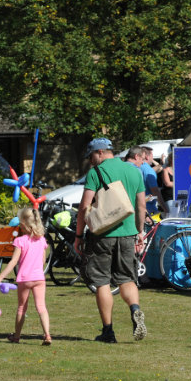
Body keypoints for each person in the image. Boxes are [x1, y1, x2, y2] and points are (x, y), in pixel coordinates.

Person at [73, 138, 148, 342]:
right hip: (128, 233)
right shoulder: (134, 170)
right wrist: (139, 231)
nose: (90, 162)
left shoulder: (95, 172)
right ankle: (135, 309)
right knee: (127, 278)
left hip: (102, 234)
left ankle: (108, 331)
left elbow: (84, 207)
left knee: (102, 281)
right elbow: (141, 206)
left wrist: (78, 235)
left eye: (91, 157)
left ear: (99, 153)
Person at [0, 206, 51, 345]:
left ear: (23, 224)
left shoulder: (20, 241)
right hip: (39, 278)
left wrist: (0, 277)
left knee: (22, 308)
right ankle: (47, 335)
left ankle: (17, 336)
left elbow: (13, 262)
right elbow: (43, 261)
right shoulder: (42, 240)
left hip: (25, 279)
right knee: (41, 307)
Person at [140, 146, 170, 214]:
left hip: (139, 207)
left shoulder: (138, 167)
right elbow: (155, 191)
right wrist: (165, 209)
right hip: (149, 209)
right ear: (147, 157)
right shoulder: (148, 170)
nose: (152, 158)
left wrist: (160, 164)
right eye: (152, 155)